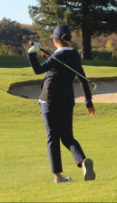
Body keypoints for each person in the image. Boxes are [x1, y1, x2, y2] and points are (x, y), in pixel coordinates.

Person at [27, 25, 96, 183]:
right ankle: (83, 162)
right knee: (67, 137)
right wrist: (88, 102)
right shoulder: (74, 56)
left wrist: (31, 53)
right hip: (66, 101)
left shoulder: (57, 57)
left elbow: (38, 70)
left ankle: (58, 177)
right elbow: (83, 80)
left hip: (49, 100)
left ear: (55, 39)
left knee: (53, 137)